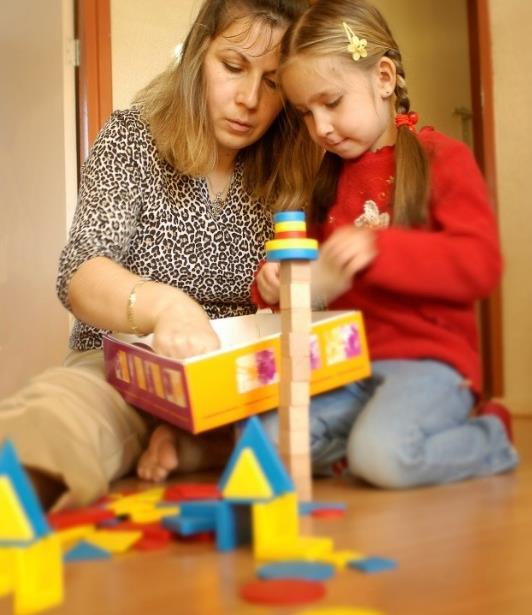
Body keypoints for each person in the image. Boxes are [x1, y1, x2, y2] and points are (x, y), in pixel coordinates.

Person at [0, 0, 316, 509]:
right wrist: (166, 307)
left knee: (324, 420)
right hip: (123, 373)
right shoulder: (131, 138)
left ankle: (200, 444)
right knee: (55, 421)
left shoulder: (293, 168)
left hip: (236, 388)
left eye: (274, 82)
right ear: (197, 55)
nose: (250, 99)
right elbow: (81, 272)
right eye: (233, 67)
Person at [254, 0, 518, 488]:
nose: (321, 128)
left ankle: (489, 436)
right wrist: (274, 283)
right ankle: (362, 447)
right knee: (272, 440)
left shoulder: (444, 158)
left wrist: (381, 250)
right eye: (306, 114)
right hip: (350, 367)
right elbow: (309, 280)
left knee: (383, 458)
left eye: (331, 103)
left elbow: (479, 264)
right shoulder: (325, 182)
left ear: (383, 78)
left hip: (430, 365)